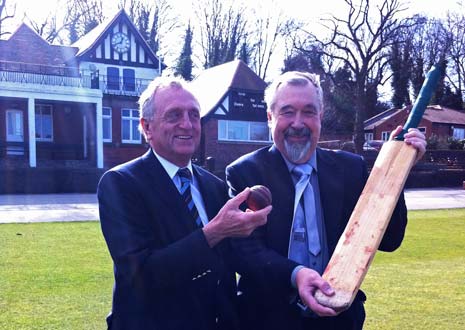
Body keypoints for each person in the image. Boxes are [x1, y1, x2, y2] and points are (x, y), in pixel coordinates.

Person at [225, 71, 427, 330]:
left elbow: (389, 241)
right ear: (270, 117)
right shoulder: (244, 172)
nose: (298, 123)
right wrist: (296, 275)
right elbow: (245, 253)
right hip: (267, 319)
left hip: (339, 320)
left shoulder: (350, 168)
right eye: (287, 112)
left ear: (320, 117)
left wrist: (399, 168)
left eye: (309, 112)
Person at [97, 76, 271, 330]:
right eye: (174, 115)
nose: (187, 124)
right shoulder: (120, 183)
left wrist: (293, 275)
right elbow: (141, 274)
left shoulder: (214, 185)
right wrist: (215, 232)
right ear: (147, 127)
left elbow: (229, 263)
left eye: (194, 115)